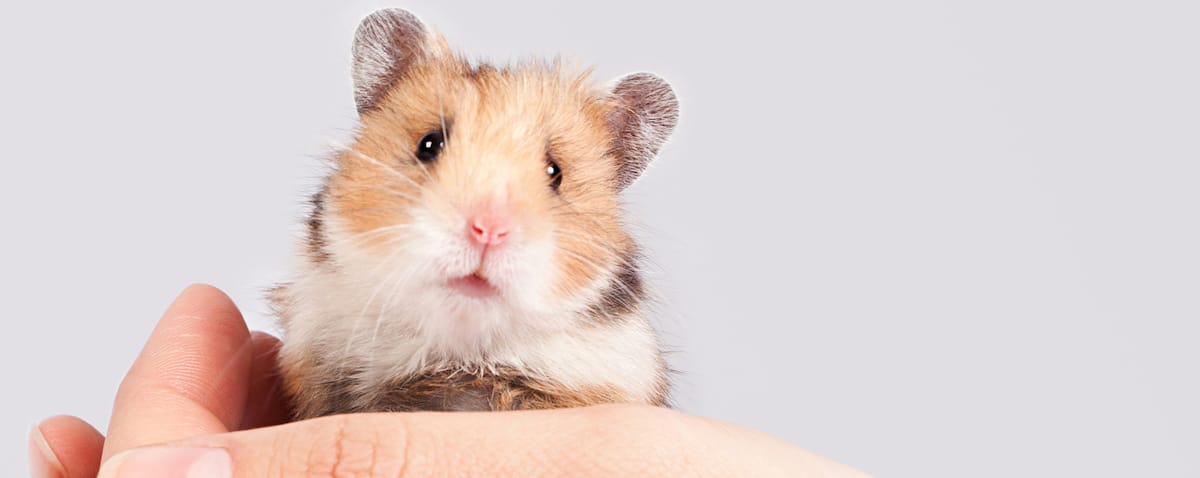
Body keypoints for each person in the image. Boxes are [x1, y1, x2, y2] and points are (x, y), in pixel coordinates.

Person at [28, 284, 870, 477]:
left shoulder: (610, 349)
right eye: (431, 146)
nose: (486, 223)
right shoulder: (328, 311)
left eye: (551, 176)